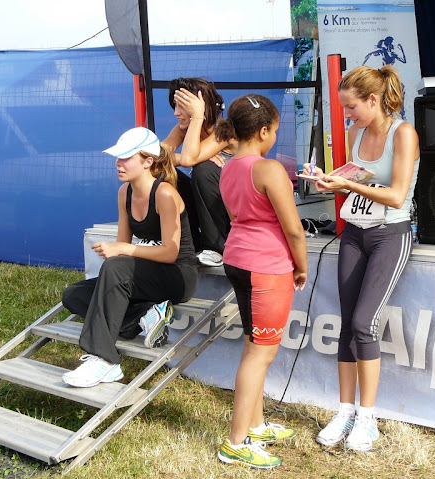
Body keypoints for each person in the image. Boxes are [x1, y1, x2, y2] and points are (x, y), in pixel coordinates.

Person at [304, 65, 419, 451]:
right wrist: (326, 180)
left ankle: (367, 417)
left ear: (373, 100)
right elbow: (353, 180)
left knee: (364, 323)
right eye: (344, 108)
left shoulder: (404, 133)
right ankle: (345, 410)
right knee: (346, 326)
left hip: (390, 234)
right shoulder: (356, 133)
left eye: (351, 107)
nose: (347, 115)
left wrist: (348, 183)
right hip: (354, 231)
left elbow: (397, 195)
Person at [61, 127, 198, 388]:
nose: (118, 163)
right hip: (146, 272)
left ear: (148, 162)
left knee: (115, 267)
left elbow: (170, 253)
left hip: (179, 275)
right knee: (73, 295)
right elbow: (123, 244)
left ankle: (104, 359)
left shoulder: (166, 194)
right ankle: (144, 315)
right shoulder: (124, 193)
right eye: (117, 157)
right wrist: (118, 249)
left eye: (126, 158)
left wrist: (121, 251)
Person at [214, 94, 308, 469]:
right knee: (260, 353)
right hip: (266, 266)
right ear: (265, 131)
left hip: (238, 258)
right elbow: (294, 230)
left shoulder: (228, 166)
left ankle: (254, 424)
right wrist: (301, 266)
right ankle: (237, 443)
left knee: (255, 346)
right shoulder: (268, 170)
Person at [160, 77, 236, 267]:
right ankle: (187, 242)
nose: (176, 113)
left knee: (203, 170)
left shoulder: (224, 130)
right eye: (175, 106)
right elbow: (155, 159)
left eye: (182, 107)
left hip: (230, 210)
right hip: (204, 206)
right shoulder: (182, 129)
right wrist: (180, 159)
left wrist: (197, 118)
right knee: (166, 175)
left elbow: (187, 160)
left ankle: (218, 248)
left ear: (202, 106)